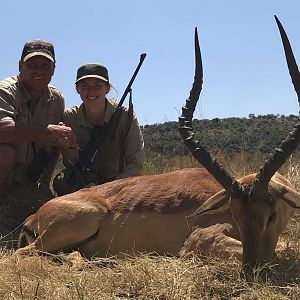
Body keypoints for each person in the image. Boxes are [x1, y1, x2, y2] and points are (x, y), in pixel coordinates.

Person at [53, 63, 144, 196]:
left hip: (117, 183)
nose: (91, 91)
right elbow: (71, 165)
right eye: (85, 86)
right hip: (83, 182)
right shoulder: (69, 117)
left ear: (107, 88)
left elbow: (135, 164)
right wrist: (71, 146)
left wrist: (107, 189)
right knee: (61, 182)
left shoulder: (125, 116)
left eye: (97, 85)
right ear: (77, 89)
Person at [0, 39, 75, 200]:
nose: (38, 71)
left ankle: (22, 192)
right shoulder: (5, 90)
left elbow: (55, 143)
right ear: (20, 66)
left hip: (26, 177)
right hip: (5, 168)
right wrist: (49, 131)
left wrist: (45, 181)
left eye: (45, 66)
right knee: (5, 152)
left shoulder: (57, 98)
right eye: (32, 65)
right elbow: (2, 131)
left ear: (53, 69)